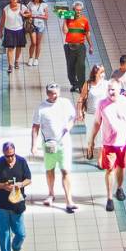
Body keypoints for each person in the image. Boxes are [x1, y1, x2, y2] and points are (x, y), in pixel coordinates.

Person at [30, 82, 78, 211]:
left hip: (64, 144)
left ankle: (69, 201)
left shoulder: (66, 103)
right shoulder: (41, 108)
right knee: (50, 169)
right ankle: (51, 194)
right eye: (52, 93)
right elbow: (35, 127)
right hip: (49, 144)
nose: (54, 95)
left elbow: (73, 117)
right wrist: (34, 145)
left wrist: (69, 126)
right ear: (47, 94)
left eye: (56, 93)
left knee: (65, 170)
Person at [95, 76, 126, 212]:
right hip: (108, 144)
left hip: (123, 143)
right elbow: (97, 122)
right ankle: (109, 198)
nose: (111, 92)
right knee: (109, 169)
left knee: (121, 168)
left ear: (120, 89)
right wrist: (92, 140)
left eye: (113, 89)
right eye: (109, 89)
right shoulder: (102, 104)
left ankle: (119, 187)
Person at [79, 64, 110, 160]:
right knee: (90, 134)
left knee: (101, 135)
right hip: (90, 114)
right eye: (101, 72)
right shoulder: (88, 84)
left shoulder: (106, 84)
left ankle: (100, 157)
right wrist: (79, 112)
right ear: (95, 73)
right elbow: (81, 98)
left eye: (104, 72)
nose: (103, 74)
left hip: (102, 115)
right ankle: (90, 148)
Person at [62, 0, 90, 89]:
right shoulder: (68, 19)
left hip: (80, 46)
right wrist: (65, 20)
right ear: (73, 9)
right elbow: (65, 31)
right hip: (69, 47)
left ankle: (81, 85)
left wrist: (91, 45)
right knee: (70, 67)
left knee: (81, 65)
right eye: (77, 10)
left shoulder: (84, 20)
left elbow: (87, 33)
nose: (78, 12)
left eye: (80, 10)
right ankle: (74, 84)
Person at [1, 0, 28, 74]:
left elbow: (29, 14)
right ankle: (10, 65)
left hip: (19, 30)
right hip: (9, 30)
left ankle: (16, 61)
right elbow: (2, 20)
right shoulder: (6, 9)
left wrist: (24, 15)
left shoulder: (22, 7)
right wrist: (0, 30)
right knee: (10, 48)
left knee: (19, 47)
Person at [26, 0, 48, 67]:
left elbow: (46, 17)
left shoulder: (44, 5)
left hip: (41, 26)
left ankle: (36, 59)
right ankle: (30, 58)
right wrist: (29, 16)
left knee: (38, 43)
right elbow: (27, 14)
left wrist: (36, 16)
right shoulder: (30, 4)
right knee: (33, 42)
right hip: (32, 25)